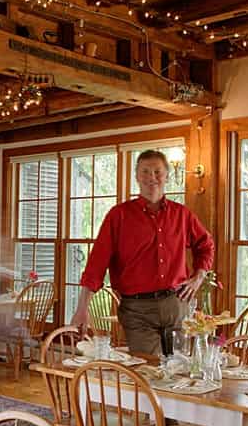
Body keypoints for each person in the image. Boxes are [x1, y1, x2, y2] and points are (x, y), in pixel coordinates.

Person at [70, 150, 215, 356]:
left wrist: (198, 278)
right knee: (149, 373)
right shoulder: (118, 216)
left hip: (177, 305)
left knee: (179, 373)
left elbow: (206, 245)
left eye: (158, 172)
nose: (152, 178)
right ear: (137, 176)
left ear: (167, 176)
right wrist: (82, 308)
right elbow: (96, 263)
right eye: (145, 172)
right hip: (138, 310)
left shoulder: (182, 215)